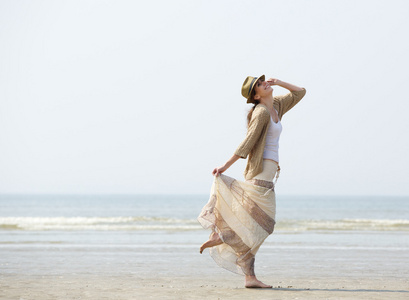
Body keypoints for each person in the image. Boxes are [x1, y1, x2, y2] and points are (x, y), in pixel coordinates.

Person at [197, 74, 306, 288]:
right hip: (261, 170)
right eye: (260, 84)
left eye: (263, 80)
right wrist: (225, 166)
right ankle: (225, 237)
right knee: (263, 224)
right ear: (256, 95)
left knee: (254, 223)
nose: (264, 83)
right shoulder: (262, 112)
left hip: (268, 170)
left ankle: (247, 274)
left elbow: (300, 92)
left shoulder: (275, 105)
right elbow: (248, 142)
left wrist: (280, 82)